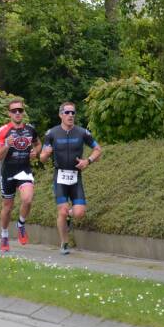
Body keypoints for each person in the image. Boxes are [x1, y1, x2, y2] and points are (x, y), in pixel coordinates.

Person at [39, 102, 102, 255]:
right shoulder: (51, 133)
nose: (71, 116)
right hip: (60, 177)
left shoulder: (82, 133)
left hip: (75, 177)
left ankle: (69, 217)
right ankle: (64, 243)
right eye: (67, 113)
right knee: (62, 210)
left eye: (73, 113)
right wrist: (46, 154)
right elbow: (41, 158)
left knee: (79, 213)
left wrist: (88, 161)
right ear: (61, 115)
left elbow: (98, 149)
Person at [0, 98, 41, 253]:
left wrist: (36, 151)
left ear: (23, 112)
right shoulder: (3, 131)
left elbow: (38, 143)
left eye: (20, 110)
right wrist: (7, 144)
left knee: (27, 199)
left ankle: (21, 224)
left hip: (24, 170)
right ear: (9, 113)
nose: (18, 113)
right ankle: (4, 235)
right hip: (8, 172)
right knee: (7, 207)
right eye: (14, 111)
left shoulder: (30, 129)